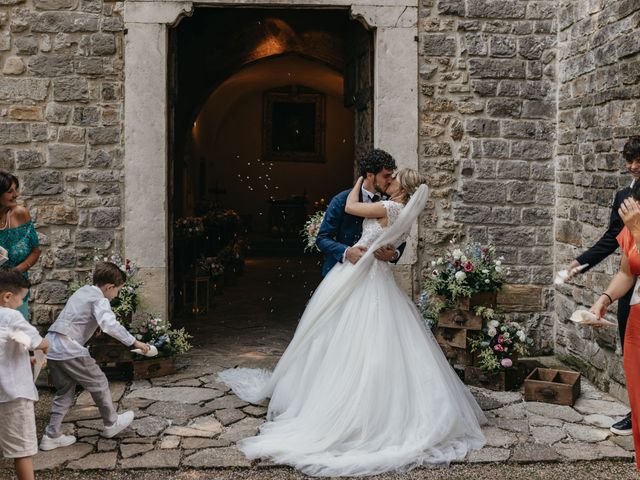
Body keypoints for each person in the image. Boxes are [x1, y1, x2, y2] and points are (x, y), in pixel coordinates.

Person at [218, 169, 486, 476]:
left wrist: (361, 184)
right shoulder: (399, 211)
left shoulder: (389, 206)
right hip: (366, 276)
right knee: (356, 336)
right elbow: (360, 240)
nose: (390, 180)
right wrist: (377, 248)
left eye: (394, 177)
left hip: (367, 277)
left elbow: (361, 216)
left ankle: (350, 407)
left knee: (360, 336)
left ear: (402, 186)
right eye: (387, 175)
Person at [566, 137, 640, 436]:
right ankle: (635, 411)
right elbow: (614, 240)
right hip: (631, 288)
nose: (633, 166)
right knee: (631, 351)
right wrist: (580, 261)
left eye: (638, 160)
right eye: (629, 160)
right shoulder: (624, 196)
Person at [40, 262, 151, 450]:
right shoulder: (100, 299)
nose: (117, 295)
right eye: (118, 290)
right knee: (99, 382)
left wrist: (94, 328)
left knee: (64, 392)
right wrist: (134, 342)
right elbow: (110, 325)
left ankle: (51, 435)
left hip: (52, 347)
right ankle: (111, 423)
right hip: (70, 349)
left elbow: (78, 316)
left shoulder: (83, 291)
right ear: (109, 287)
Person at [589, 180, 640, 472]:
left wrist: (636, 229)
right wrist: (603, 300)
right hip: (636, 321)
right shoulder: (632, 229)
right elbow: (627, 272)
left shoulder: (636, 228)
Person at [316, 148, 405, 277]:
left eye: (391, 175)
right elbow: (322, 238)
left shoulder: (390, 202)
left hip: (373, 276)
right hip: (340, 273)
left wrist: (394, 254)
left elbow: (401, 237)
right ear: (370, 175)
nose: (390, 180)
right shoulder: (342, 199)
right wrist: (347, 251)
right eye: (386, 176)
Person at [0, 269, 48, 480]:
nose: (22, 303)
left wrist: (24, 359)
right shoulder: (10, 315)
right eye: (22, 298)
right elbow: (40, 343)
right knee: (22, 451)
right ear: (7, 296)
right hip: (14, 395)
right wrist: (46, 347)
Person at [0, 172, 40, 321]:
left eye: (16, 189)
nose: (16, 194)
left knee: (19, 336)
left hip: (16, 289)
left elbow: (35, 251)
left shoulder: (21, 214)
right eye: (10, 191)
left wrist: (16, 271)